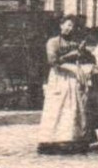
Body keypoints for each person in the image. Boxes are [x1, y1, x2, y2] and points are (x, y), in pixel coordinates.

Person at [37, 16, 92, 154]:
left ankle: (72, 138)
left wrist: (82, 54)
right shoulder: (53, 42)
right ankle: (52, 139)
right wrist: (70, 59)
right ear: (61, 25)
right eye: (67, 25)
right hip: (59, 76)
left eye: (72, 26)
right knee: (57, 107)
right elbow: (53, 61)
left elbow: (87, 58)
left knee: (73, 107)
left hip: (73, 77)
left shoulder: (76, 42)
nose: (70, 28)